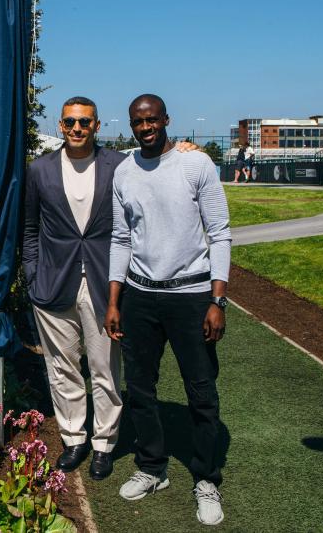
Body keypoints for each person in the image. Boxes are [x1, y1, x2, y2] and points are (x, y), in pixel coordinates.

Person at [105, 94, 231, 526]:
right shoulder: (124, 171)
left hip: (192, 296)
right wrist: (114, 299)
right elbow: (121, 239)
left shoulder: (196, 165)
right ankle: (152, 467)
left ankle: (206, 479)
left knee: (201, 393)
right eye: (138, 122)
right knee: (139, 388)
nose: (145, 128)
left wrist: (217, 300)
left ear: (165, 120)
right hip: (140, 296)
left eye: (152, 120)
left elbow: (220, 233)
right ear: (131, 125)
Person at [22, 97, 125, 480]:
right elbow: (29, 228)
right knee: (62, 367)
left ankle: (104, 443)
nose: (77, 128)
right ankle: (74, 437)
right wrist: (32, 273)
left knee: (105, 368)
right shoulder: (40, 170)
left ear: (97, 125)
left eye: (85, 122)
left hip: (104, 283)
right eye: (70, 122)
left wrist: (182, 149)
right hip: (53, 282)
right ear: (60, 126)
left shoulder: (119, 165)